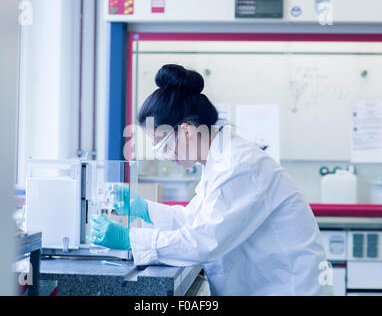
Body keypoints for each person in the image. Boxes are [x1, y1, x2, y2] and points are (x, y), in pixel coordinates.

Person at [88, 64, 334, 296]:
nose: (163, 156)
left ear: (185, 130)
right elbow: (196, 221)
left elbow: (203, 241)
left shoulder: (238, 166)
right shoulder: (219, 159)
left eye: (162, 145)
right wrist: (144, 209)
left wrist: (129, 239)